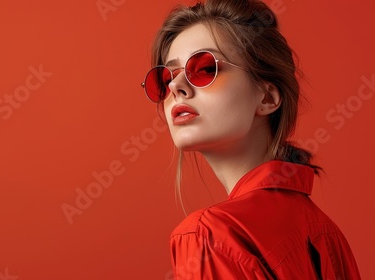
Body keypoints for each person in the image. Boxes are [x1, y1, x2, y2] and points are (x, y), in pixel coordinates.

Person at [140, 0, 361, 279]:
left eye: (206, 68)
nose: (175, 86)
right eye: (166, 76)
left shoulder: (207, 235)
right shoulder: (327, 233)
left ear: (267, 97)